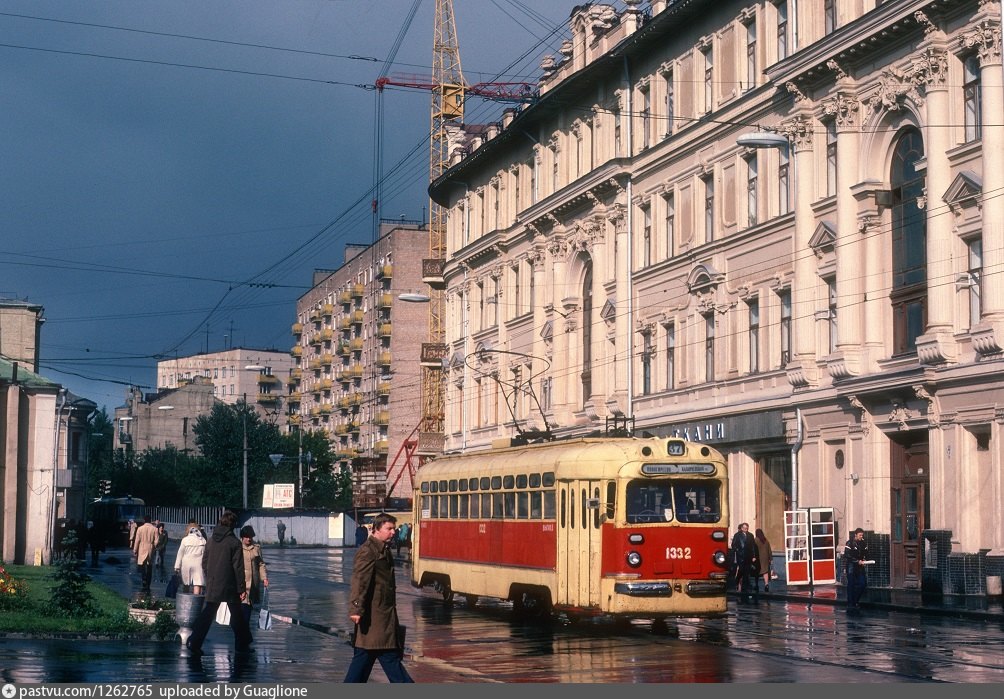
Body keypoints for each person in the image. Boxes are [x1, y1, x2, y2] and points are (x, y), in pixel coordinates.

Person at [344, 513, 413, 683]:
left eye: (393, 529)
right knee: (389, 662)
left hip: (380, 618)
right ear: (376, 529)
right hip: (374, 618)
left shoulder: (383, 549)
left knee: (362, 664)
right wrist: (356, 608)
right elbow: (360, 581)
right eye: (388, 529)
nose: (393, 532)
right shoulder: (368, 551)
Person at [185, 510, 253, 656]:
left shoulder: (211, 540)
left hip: (213, 583)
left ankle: (194, 641)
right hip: (230, 585)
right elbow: (238, 567)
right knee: (237, 615)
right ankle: (242, 644)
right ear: (233, 525)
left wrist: (210, 577)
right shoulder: (234, 543)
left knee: (208, 613)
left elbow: (204, 562)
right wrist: (241, 588)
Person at [239, 525, 269, 631]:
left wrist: (264, 578)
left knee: (249, 607)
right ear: (242, 537)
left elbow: (261, 564)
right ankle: (243, 633)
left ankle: (244, 632)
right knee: (242, 608)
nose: (249, 539)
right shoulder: (237, 547)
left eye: (250, 536)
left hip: (253, 584)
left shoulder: (256, 548)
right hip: (241, 583)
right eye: (246, 537)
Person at [174, 522, 207, 595]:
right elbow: (205, 554)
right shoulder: (203, 540)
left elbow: (180, 554)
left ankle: (185, 600)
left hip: (186, 563)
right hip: (199, 564)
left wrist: (177, 567)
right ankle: (196, 601)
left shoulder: (185, 540)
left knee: (186, 583)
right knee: (197, 583)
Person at [843, 527, 870, 610]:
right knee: (851, 584)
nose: (861, 537)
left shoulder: (863, 543)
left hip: (860, 567)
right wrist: (857, 561)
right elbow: (847, 555)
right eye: (860, 535)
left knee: (863, 584)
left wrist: (865, 559)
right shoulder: (849, 543)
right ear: (855, 535)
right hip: (851, 567)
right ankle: (851, 603)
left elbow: (866, 553)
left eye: (862, 535)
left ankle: (855, 600)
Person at [730, 522, 758, 603]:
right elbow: (733, 545)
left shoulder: (750, 535)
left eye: (747, 528)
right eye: (744, 528)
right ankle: (737, 580)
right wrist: (738, 550)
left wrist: (753, 556)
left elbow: (753, 546)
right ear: (742, 528)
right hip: (740, 556)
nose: (746, 529)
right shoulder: (737, 535)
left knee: (747, 571)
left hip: (748, 556)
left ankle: (744, 588)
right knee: (741, 570)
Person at [132, 515, 159, 595]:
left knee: (142, 565)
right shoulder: (155, 529)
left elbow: (137, 540)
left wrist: (135, 550)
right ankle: (148, 583)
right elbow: (156, 541)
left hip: (142, 548)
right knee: (149, 566)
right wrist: (154, 546)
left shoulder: (140, 529)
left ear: (144, 520)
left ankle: (143, 580)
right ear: (150, 520)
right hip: (150, 548)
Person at [754, 528, 774, 592]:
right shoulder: (766, 540)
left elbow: (753, 550)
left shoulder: (755, 540)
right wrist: (770, 558)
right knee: (765, 572)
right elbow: (769, 550)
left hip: (758, 559)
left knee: (757, 572)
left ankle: (756, 585)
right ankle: (766, 584)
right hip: (765, 558)